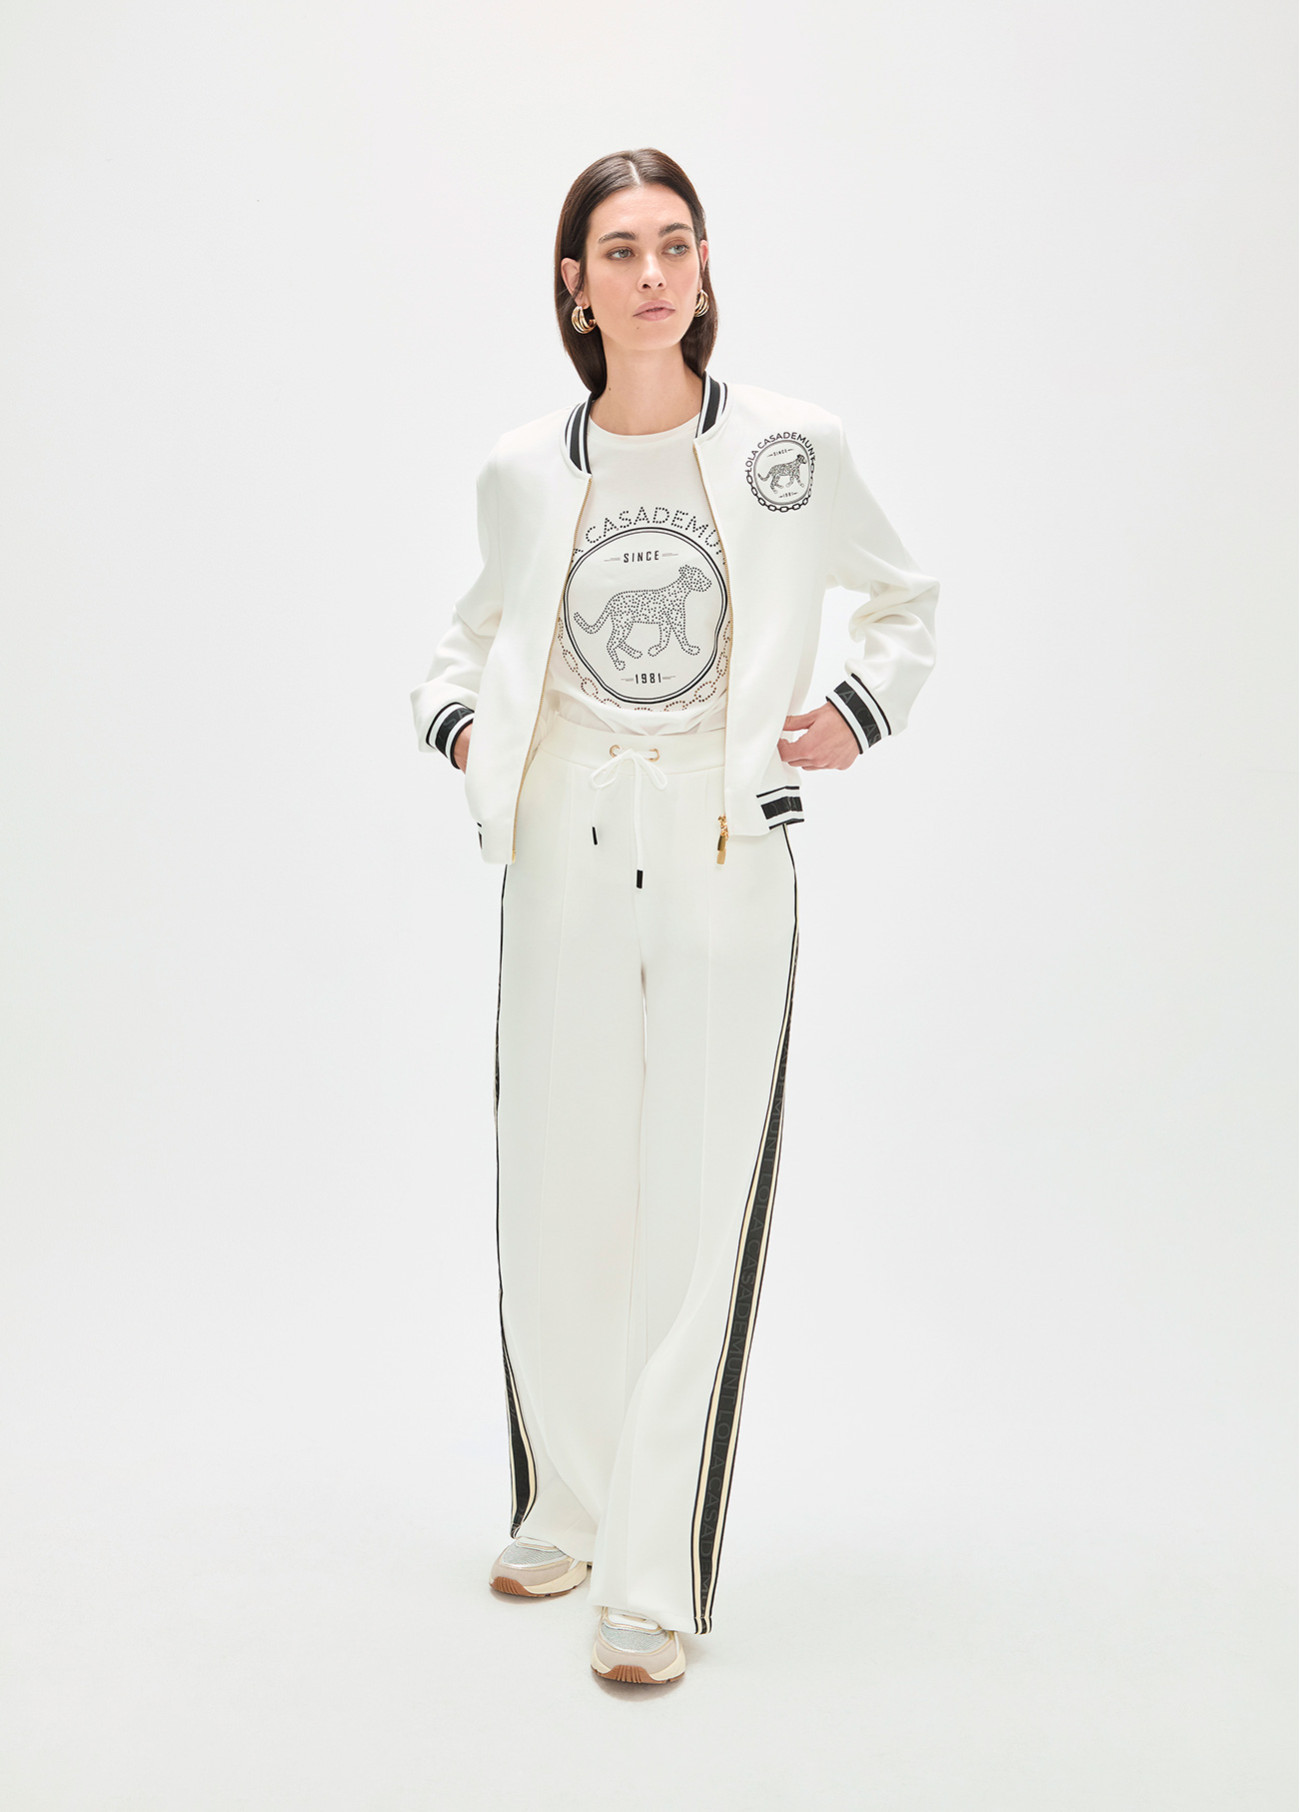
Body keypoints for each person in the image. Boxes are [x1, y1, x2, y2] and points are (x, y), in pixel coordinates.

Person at [410, 148, 940, 1687]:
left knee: (700, 1203)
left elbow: (905, 601)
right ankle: (567, 1504)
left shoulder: (792, 450)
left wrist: (857, 711)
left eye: (676, 245)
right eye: (621, 250)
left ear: (704, 269)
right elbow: (461, 643)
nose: (652, 274)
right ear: (574, 286)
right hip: (563, 841)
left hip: (720, 842)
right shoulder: (525, 467)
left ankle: (655, 1569)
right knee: (555, 1187)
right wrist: (468, 735)